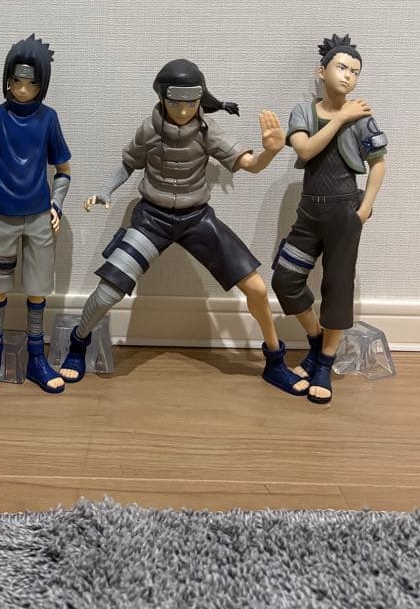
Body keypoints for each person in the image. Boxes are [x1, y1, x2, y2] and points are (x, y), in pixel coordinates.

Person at [59, 58, 304, 396]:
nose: (185, 110)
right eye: (176, 102)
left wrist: (270, 152)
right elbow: (128, 164)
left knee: (257, 288)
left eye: (192, 102)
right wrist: (105, 190)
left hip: (196, 218)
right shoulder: (149, 129)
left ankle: (275, 361)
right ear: (162, 97)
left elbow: (249, 164)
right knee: (108, 291)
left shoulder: (207, 130)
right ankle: (78, 343)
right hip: (152, 218)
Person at [272, 34, 387, 405]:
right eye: (341, 67)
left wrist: (365, 207)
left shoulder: (362, 117)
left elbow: (378, 163)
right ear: (321, 71)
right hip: (309, 212)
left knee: (338, 287)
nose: (348, 75)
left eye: (355, 71)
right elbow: (305, 149)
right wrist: (340, 117)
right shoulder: (304, 112)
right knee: (285, 279)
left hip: (344, 212)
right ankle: (316, 341)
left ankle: (323, 363)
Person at [0, 35, 71, 397]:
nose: (23, 89)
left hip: (39, 216)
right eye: (16, 81)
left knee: (37, 290)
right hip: (2, 215)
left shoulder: (48, 119)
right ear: (7, 79)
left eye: (31, 82)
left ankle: (37, 357)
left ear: (42, 84)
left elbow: (63, 170)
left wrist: (56, 204)